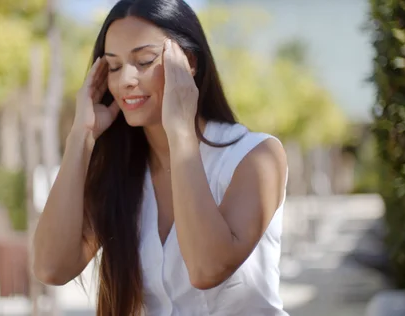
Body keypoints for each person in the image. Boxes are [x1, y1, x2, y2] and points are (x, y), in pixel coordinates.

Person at [32, 0, 289, 315]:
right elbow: (51, 268)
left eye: (144, 61)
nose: (125, 79)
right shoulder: (123, 173)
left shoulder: (255, 156)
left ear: (188, 62)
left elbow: (207, 269)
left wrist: (181, 132)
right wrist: (81, 137)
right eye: (113, 66)